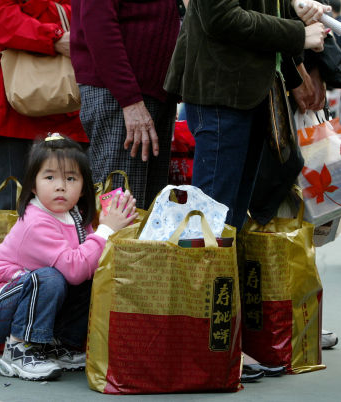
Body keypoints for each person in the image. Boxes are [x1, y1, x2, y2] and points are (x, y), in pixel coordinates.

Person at [164, 0, 329, 382]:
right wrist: (296, 32)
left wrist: (295, 17)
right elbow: (221, 17)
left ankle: (225, 342)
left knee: (227, 224)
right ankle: (209, 346)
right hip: (224, 91)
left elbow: (252, 13)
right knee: (211, 226)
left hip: (250, 91)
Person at [0, 134, 137, 381]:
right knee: (51, 277)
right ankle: (19, 349)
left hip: (25, 297)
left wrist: (113, 222)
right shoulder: (35, 221)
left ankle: (58, 346)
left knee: (92, 274)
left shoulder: (75, 215)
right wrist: (107, 230)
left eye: (70, 178)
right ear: (33, 186)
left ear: (83, 187)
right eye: (50, 177)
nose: (61, 186)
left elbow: (89, 264)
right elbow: (74, 268)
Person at [0, 0, 87, 211]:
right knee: (14, 201)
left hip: (65, 97)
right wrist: (54, 37)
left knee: (72, 202)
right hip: (12, 100)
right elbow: (3, 21)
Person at [69, 0, 181, 210]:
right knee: (120, 206)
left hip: (150, 94)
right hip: (120, 95)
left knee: (147, 210)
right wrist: (129, 99)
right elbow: (99, 23)